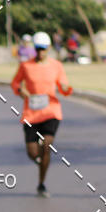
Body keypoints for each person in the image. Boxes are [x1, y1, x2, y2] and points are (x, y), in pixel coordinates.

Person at [11, 31, 73, 197]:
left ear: (49, 48)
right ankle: (41, 161)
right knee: (33, 152)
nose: (40, 52)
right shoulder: (26, 65)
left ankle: (41, 183)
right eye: (38, 49)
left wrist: (66, 88)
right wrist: (21, 91)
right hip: (31, 113)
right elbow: (15, 82)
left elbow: (63, 85)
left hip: (51, 111)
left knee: (47, 145)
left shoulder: (56, 65)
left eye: (43, 49)